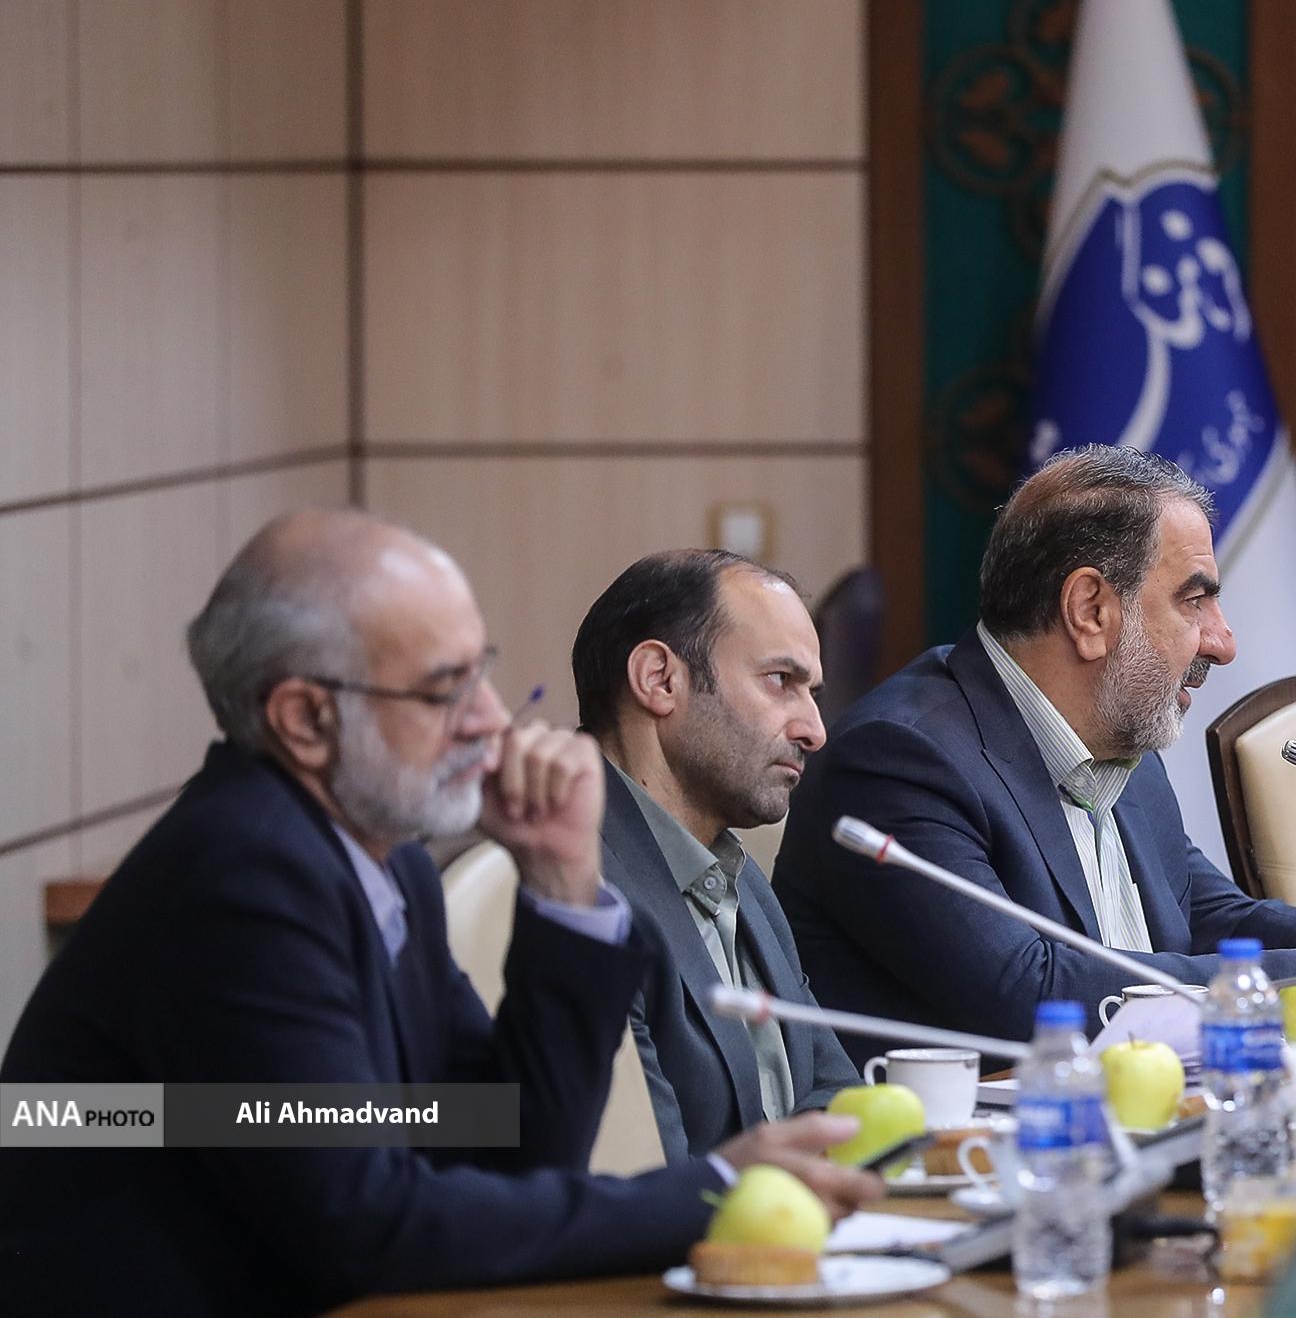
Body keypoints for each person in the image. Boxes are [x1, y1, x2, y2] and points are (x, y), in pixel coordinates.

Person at [0, 510, 879, 1315]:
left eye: (481, 674)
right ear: (306, 718)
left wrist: (563, 887)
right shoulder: (242, 877)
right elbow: (363, 1223)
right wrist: (707, 1190)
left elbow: (504, 1138)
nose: (491, 720)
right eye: (443, 690)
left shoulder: (386, 865)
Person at [776, 446, 1296, 1062]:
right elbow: (1029, 993)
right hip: (958, 1139)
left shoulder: (1118, 740)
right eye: (1194, 600)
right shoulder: (900, 760)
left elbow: (1206, 918)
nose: (1223, 642)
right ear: (1090, 611)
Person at [571, 550, 860, 1163]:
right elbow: (643, 1170)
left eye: (811, 693)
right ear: (660, 680)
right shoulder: (571, 887)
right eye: (780, 681)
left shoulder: (738, 875)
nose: (815, 730)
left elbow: (836, 1092)